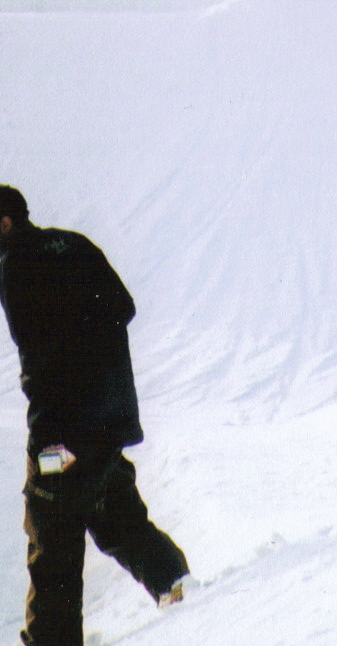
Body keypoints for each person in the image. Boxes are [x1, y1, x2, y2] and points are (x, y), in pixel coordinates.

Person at [0, 186, 189, 645]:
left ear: (4, 223)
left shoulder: (14, 266)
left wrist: (50, 433)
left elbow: (40, 356)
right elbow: (124, 307)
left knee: (51, 531)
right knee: (112, 507)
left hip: (61, 431)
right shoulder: (77, 244)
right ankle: (178, 586)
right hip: (110, 416)